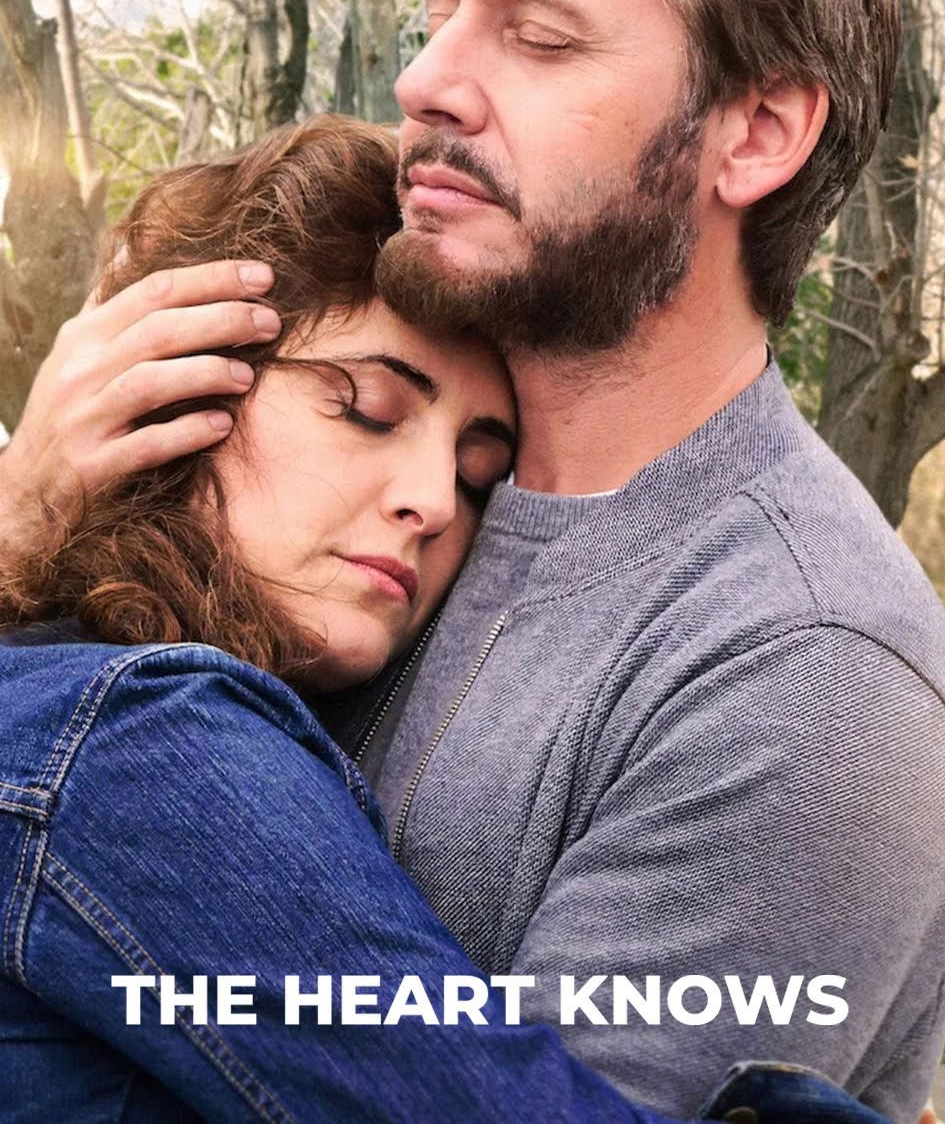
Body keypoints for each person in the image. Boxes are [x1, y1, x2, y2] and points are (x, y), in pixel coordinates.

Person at [2, 0, 945, 1124]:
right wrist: (26, 530)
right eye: (436, 15)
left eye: (539, 37)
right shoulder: (311, 541)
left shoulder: (799, 662)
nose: (427, 81)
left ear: (755, 133)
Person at [0, 114, 889, 1124]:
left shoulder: (53, 701)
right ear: (161, 391)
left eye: (477, 477)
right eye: (368, 410)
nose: (430, 501)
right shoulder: (144, 735)